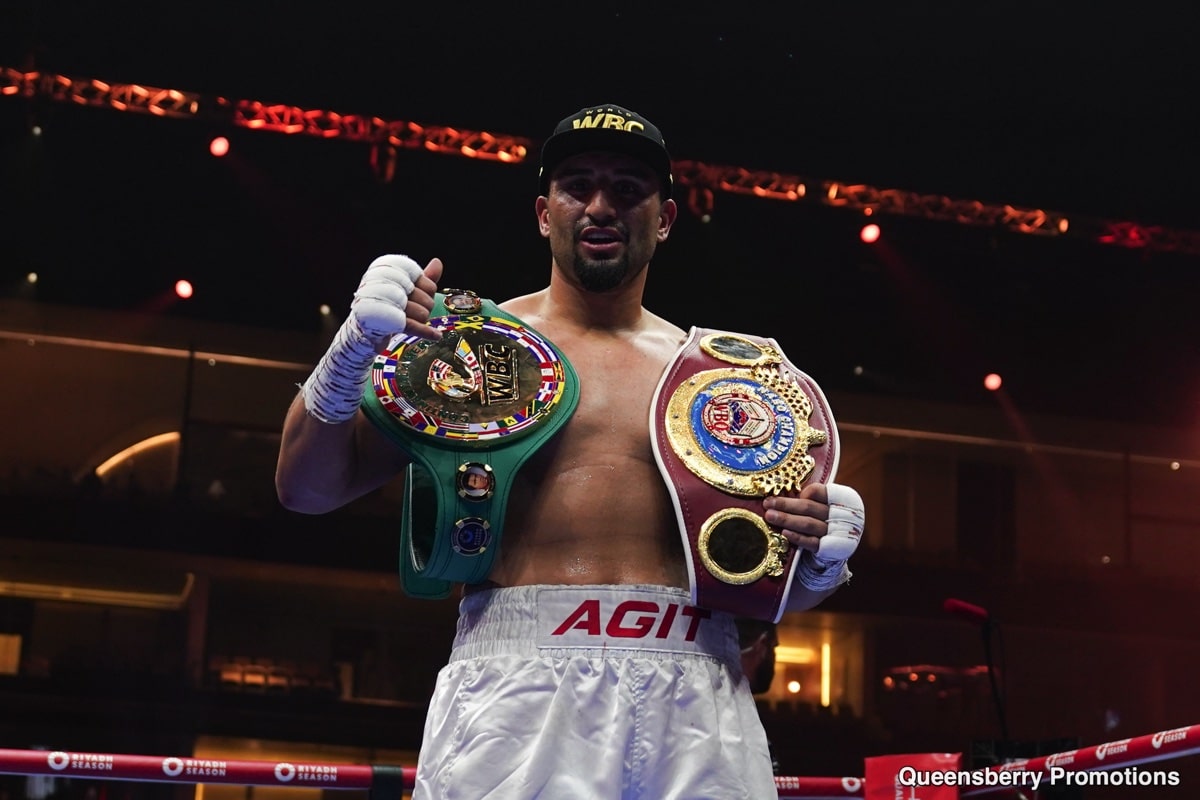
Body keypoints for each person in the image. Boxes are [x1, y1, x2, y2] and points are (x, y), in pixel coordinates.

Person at [276, 103, 865, 799]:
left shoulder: (723, 386)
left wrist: (821, 558)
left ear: (666, 218)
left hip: (700, 685)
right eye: (577, 184)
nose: (600, 205)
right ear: (543, 212)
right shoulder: (469, 349)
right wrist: (350, 356)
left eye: (627, 189)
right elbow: (305, 488)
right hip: (522, 685)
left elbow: (762, 588)